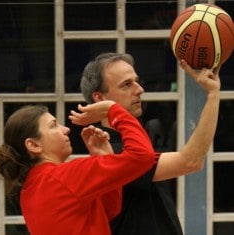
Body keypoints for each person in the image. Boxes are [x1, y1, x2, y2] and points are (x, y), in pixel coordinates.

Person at [80, 52, 221, 235]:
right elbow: (191, 161)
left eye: (137, 81)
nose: (139, 89)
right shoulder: (111, 153)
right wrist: (212, 95)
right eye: (126, 84)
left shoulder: (129, 143)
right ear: (100, 98)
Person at [0, 100, 157, 235]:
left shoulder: (31, 187)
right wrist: (112, 109)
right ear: (34, 145)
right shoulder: (62, 177)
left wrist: (104, 157)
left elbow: (107, 211)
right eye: (54, 125)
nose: (66, 129)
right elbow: (142, 155)